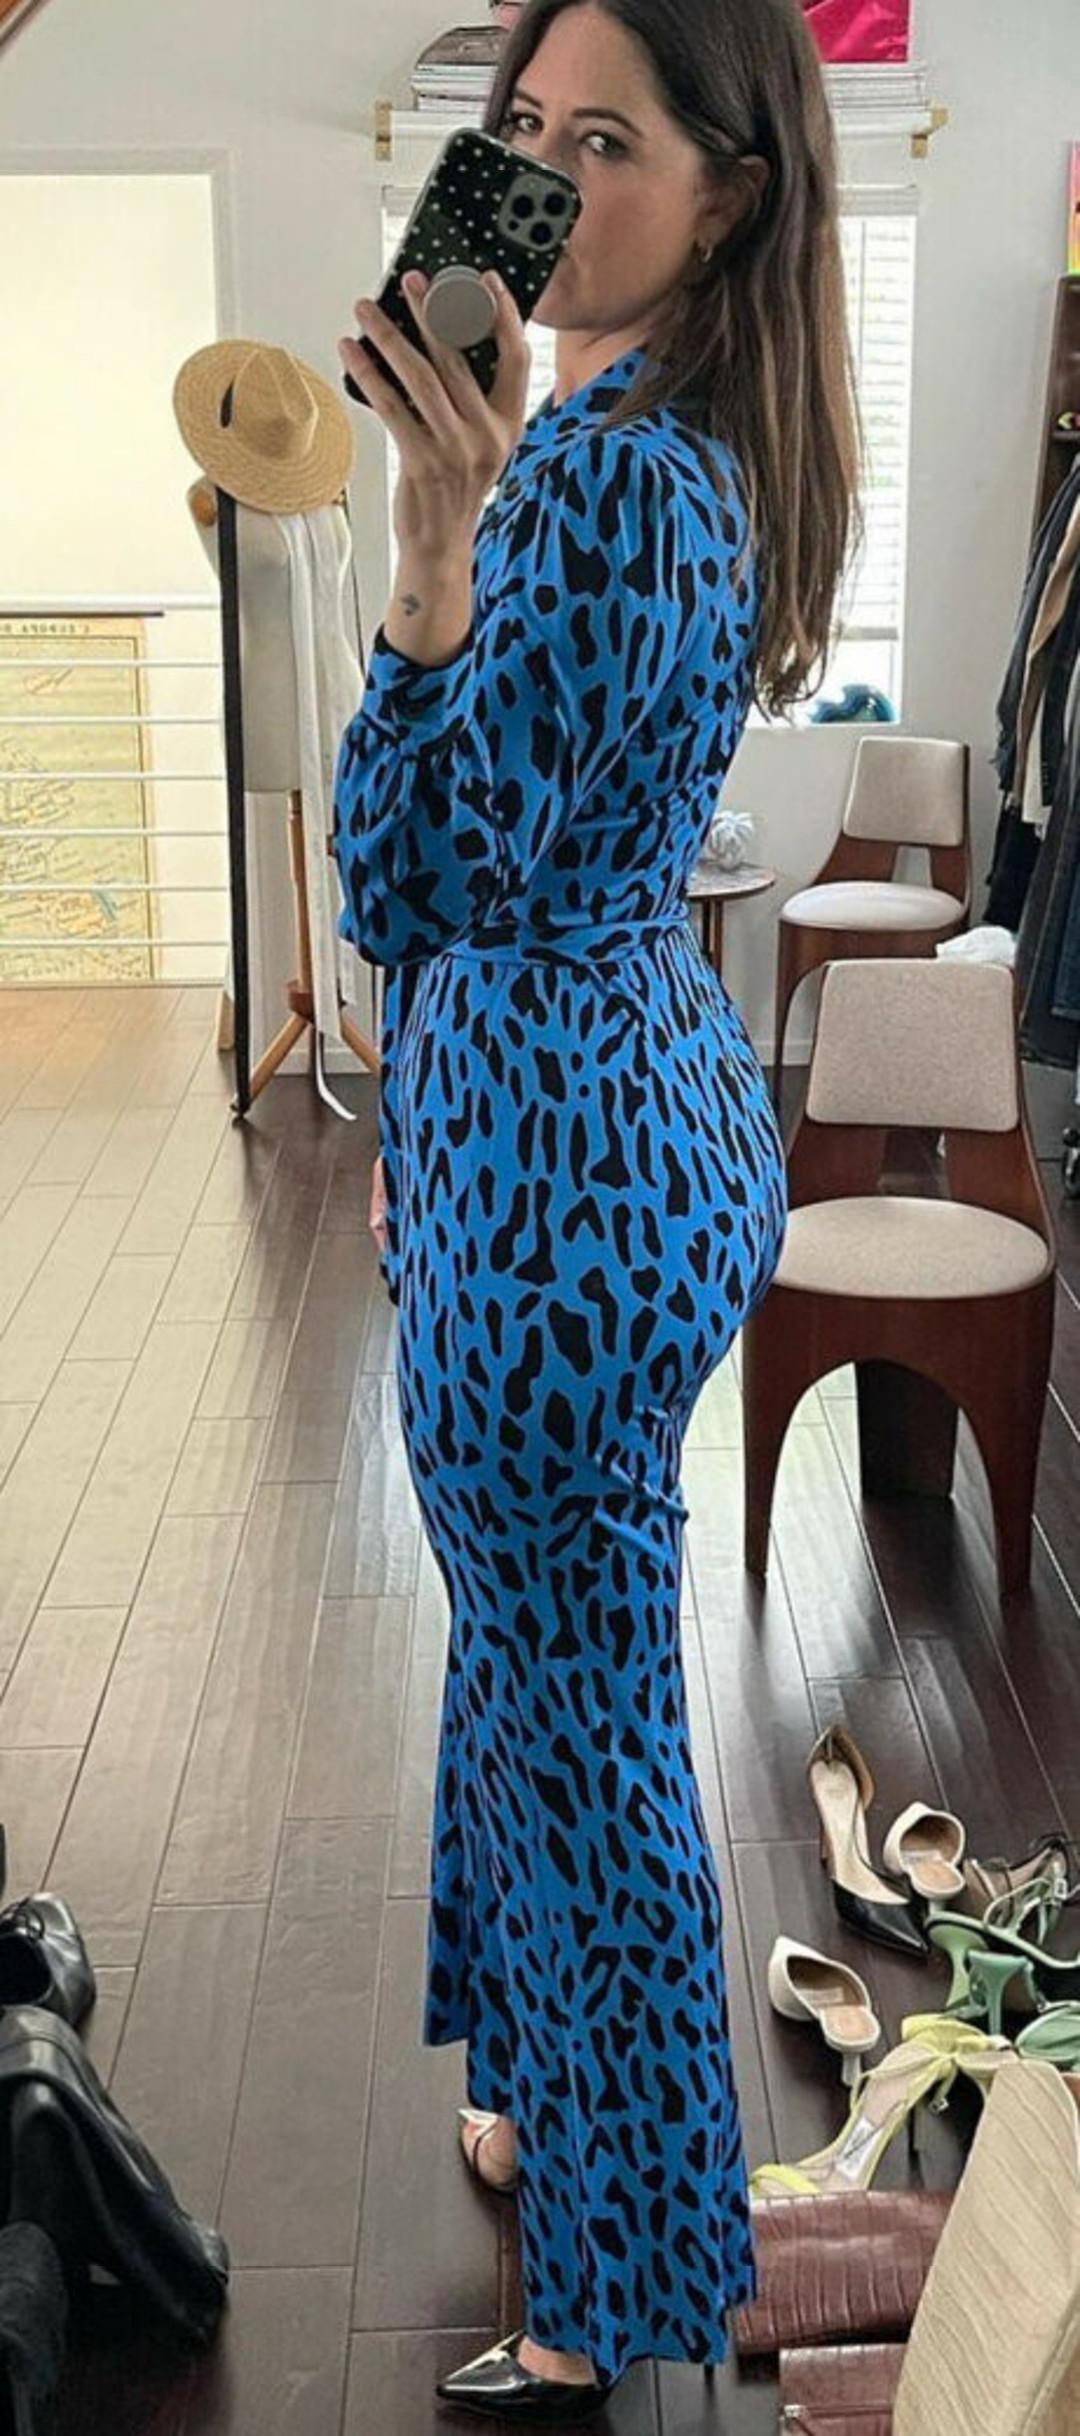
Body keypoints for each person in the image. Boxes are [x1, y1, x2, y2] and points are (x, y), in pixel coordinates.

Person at [333, 0, 860, 2415]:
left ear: (728, 194)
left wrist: (424, 544)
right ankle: (550, 2098)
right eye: (519, 134)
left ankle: (628, 2282)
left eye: (607, 141)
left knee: (584, 1738)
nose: (540, 188)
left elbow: (409, 874)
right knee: (537, 1681)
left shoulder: (600, 482)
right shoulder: (640, 435)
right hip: (589, 1130)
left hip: (565, 1189)